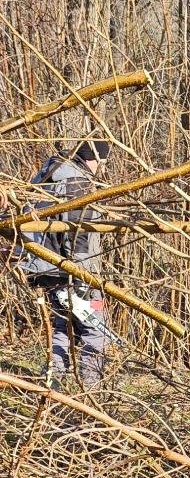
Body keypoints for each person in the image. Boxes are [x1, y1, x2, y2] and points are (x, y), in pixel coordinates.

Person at [18, 136, 111, 387]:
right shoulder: (77, 182)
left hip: (46, 267)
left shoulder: (49, 175)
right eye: (102, 160)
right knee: (96, 329)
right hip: (72, 270)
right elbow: (76, 233)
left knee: (63, 326)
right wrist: (84, 272)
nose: (102, 167)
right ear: (93, 158)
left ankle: (51, 384)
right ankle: (92, 391)